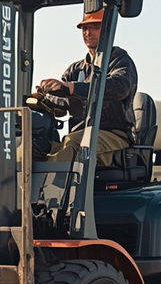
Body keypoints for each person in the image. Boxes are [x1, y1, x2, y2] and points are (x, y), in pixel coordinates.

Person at [33, 9, 138, 166]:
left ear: (107, 30)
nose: (88, 33)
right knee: (36, 146)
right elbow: (63, 107)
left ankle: (52, 182)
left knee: (74, 145)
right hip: (79, 135)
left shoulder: (119, 60)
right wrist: (44, 99)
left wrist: (71, 88)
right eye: (85, 28)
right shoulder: (75, 70)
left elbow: (119, 87)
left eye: (94, 27)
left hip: (114, 135)